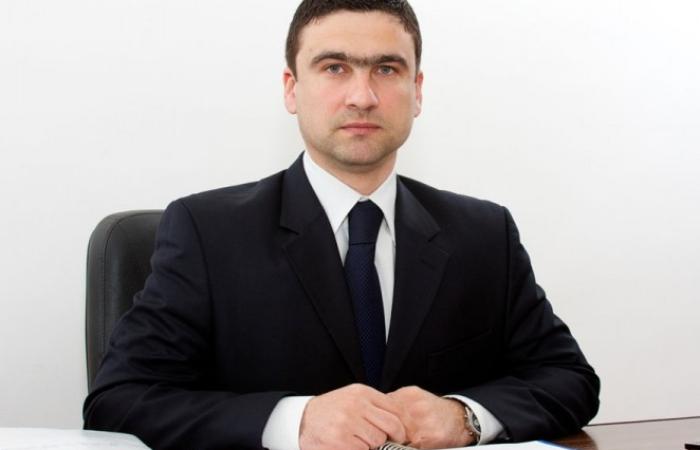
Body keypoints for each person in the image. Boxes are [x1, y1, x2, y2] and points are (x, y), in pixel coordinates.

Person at [83, 1, 600, 449]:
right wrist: (297, 421)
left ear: (417, 90)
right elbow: (120, 400)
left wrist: (464, 416)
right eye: (334, 68)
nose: (362, 96)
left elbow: (569, 379)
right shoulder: (206, 231)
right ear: (292, 89)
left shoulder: (484, 233)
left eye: (387, 69)